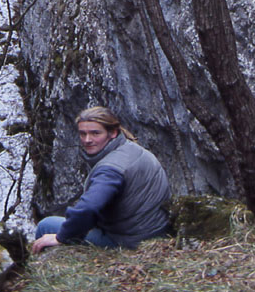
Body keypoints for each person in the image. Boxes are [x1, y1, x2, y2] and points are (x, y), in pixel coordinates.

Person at [31, 106, 171, 253]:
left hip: (130, 242)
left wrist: (61, 237)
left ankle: (41, 269)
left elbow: (88, 208)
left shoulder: (110, 169)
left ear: (112, 133)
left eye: (95, 133)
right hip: (156, 232)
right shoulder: (132, 149)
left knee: (46, 226)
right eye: (82, 134)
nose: (87, 140)